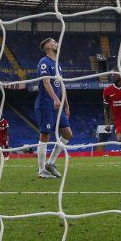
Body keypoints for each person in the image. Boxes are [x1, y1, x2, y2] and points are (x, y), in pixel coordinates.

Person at [35, 38, 72, 178]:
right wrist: (55, 99)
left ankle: (50, 163)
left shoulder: (58, 65)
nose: (57, 44)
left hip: (58, 106)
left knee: (68, 133)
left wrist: (66, 104)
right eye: (55, 42)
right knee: (45, 135)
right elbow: (46, 82)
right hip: (46, 104)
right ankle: (41, 170)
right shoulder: (44, 62)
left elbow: (61, 86)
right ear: (49, 46)